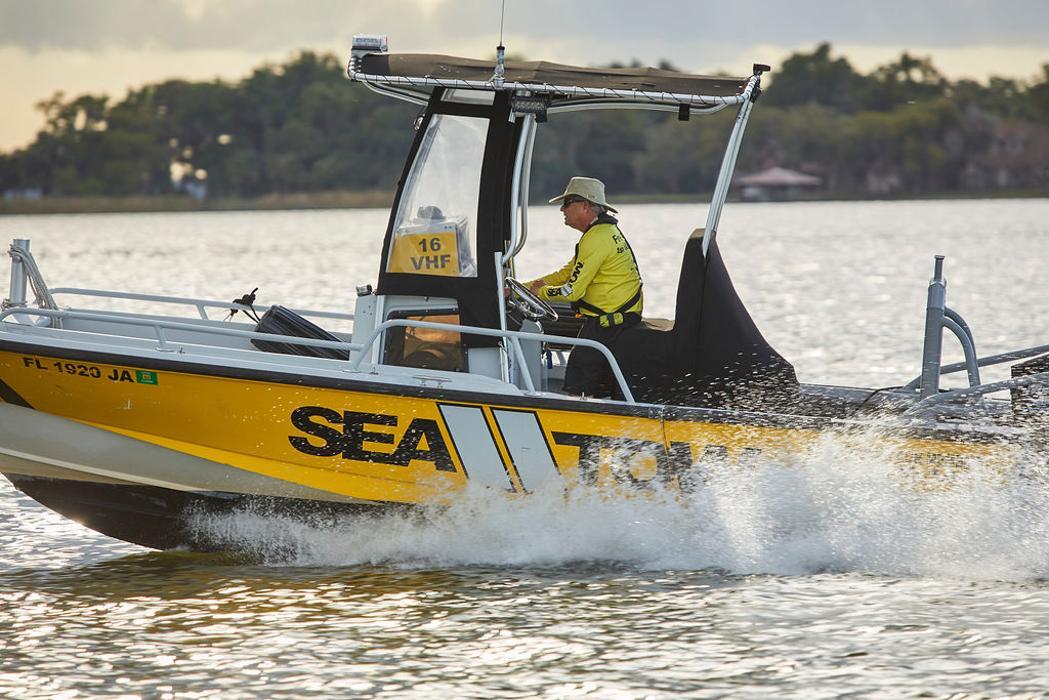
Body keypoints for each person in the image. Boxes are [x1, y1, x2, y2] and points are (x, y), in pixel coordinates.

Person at [527, 176, 643, 397]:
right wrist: (522, 288)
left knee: (577, 381)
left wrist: (539, 293)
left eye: (567, 202)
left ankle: (574, 421)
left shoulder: (596, 239)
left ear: (585, 206)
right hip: (614, 318)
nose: (562, 209)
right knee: (592, 381)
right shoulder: (599, 234)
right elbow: (565, 275)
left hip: (608, 323)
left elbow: (573, 291)